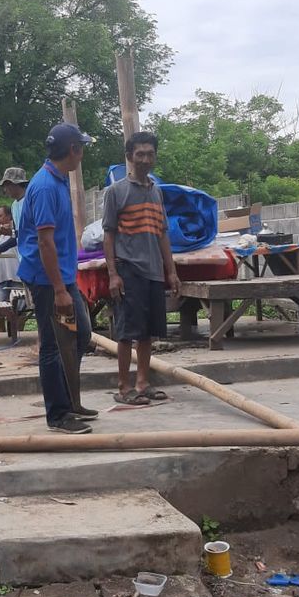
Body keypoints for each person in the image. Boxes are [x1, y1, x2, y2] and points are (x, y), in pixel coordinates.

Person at [18, 123, 99, 434]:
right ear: (73, 150)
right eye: (82, 148)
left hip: (62, 277)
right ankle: (58, 414)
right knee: (52, 345)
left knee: (79, 336)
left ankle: (71, 400)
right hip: (46, 281)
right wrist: (58, 289)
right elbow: (44, 242)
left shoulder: (58, 179)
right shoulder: (45, 187)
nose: (83, 155)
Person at [103, 131, 181, 405]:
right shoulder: (116, 192)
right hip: (129, 270)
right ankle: (124, 388)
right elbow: (109, 236)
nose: (145, 159)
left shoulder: (156, 191)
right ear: (129, 157)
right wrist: (113, 274)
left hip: (153, 271)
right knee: (126, 332)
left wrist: (171, 271)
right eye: (140, 154)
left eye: (150, 153)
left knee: (147, 331)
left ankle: (143, 383)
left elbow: (162, 233)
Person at [0, 205, 21, 306]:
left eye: (0, 216)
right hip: (1, 277)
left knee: (19, 310)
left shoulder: (16, 233)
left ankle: (15, 322)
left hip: (17, 278)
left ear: (9, 216)